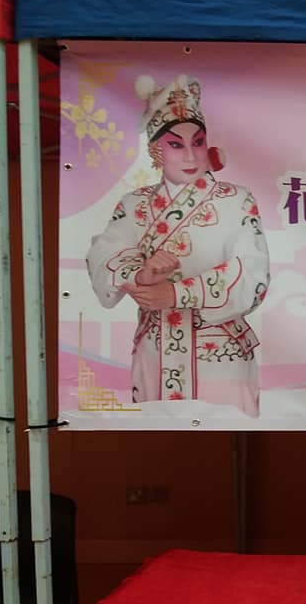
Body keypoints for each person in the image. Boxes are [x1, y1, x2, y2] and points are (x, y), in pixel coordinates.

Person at [86, 74, 270, 417]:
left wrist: (174, 293)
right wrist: (141, 275)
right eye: (175, 144)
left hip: (218, 351)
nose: (190, 156)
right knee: (157, 441)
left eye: (197, 143)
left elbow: (251, 272)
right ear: (156, 150)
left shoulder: (236, 200)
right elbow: (104, 252)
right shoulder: (135, 204)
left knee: (224, 433)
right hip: (155, 350)